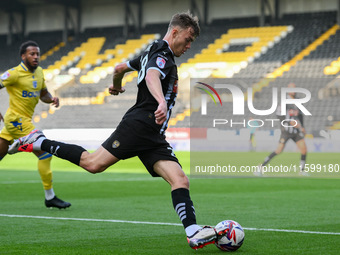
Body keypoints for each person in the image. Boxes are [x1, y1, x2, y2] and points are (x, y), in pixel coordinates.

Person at [8, 12, 230, 249]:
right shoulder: (161, 53)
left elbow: (119, 67)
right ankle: (40, 141)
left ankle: (193, 231)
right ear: (175, 32)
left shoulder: (149, 52)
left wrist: (116, 86)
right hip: (140, 124)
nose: (188, 46)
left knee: (180, 179)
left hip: (153, 135)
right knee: (93, 164)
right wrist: (161, 102)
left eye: (191, 42)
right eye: (188, 39)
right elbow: (153, 75)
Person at [0, 41, 71, 209]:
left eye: (37, 54)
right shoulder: (14, 74)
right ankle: (50, 197)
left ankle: (18, 146)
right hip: (16, 120)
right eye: (32, 54)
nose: (36, 57)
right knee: (45, 152)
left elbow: (43, 94)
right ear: (23, 56)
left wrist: (51, 99)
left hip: (22, 121)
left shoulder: (39, 72)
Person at [256, 83, 308, 176]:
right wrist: (289, 122)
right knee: (278, 150)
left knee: (304, 149)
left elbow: (300, 115)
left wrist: (302, 127)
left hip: (296, 132)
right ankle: (260, 167)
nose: (294, 90)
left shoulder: (298, 102)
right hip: (286, 131)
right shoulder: (285, 102)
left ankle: (302, 170)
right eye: (292, 88)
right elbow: (279, 116)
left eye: (295, 88)